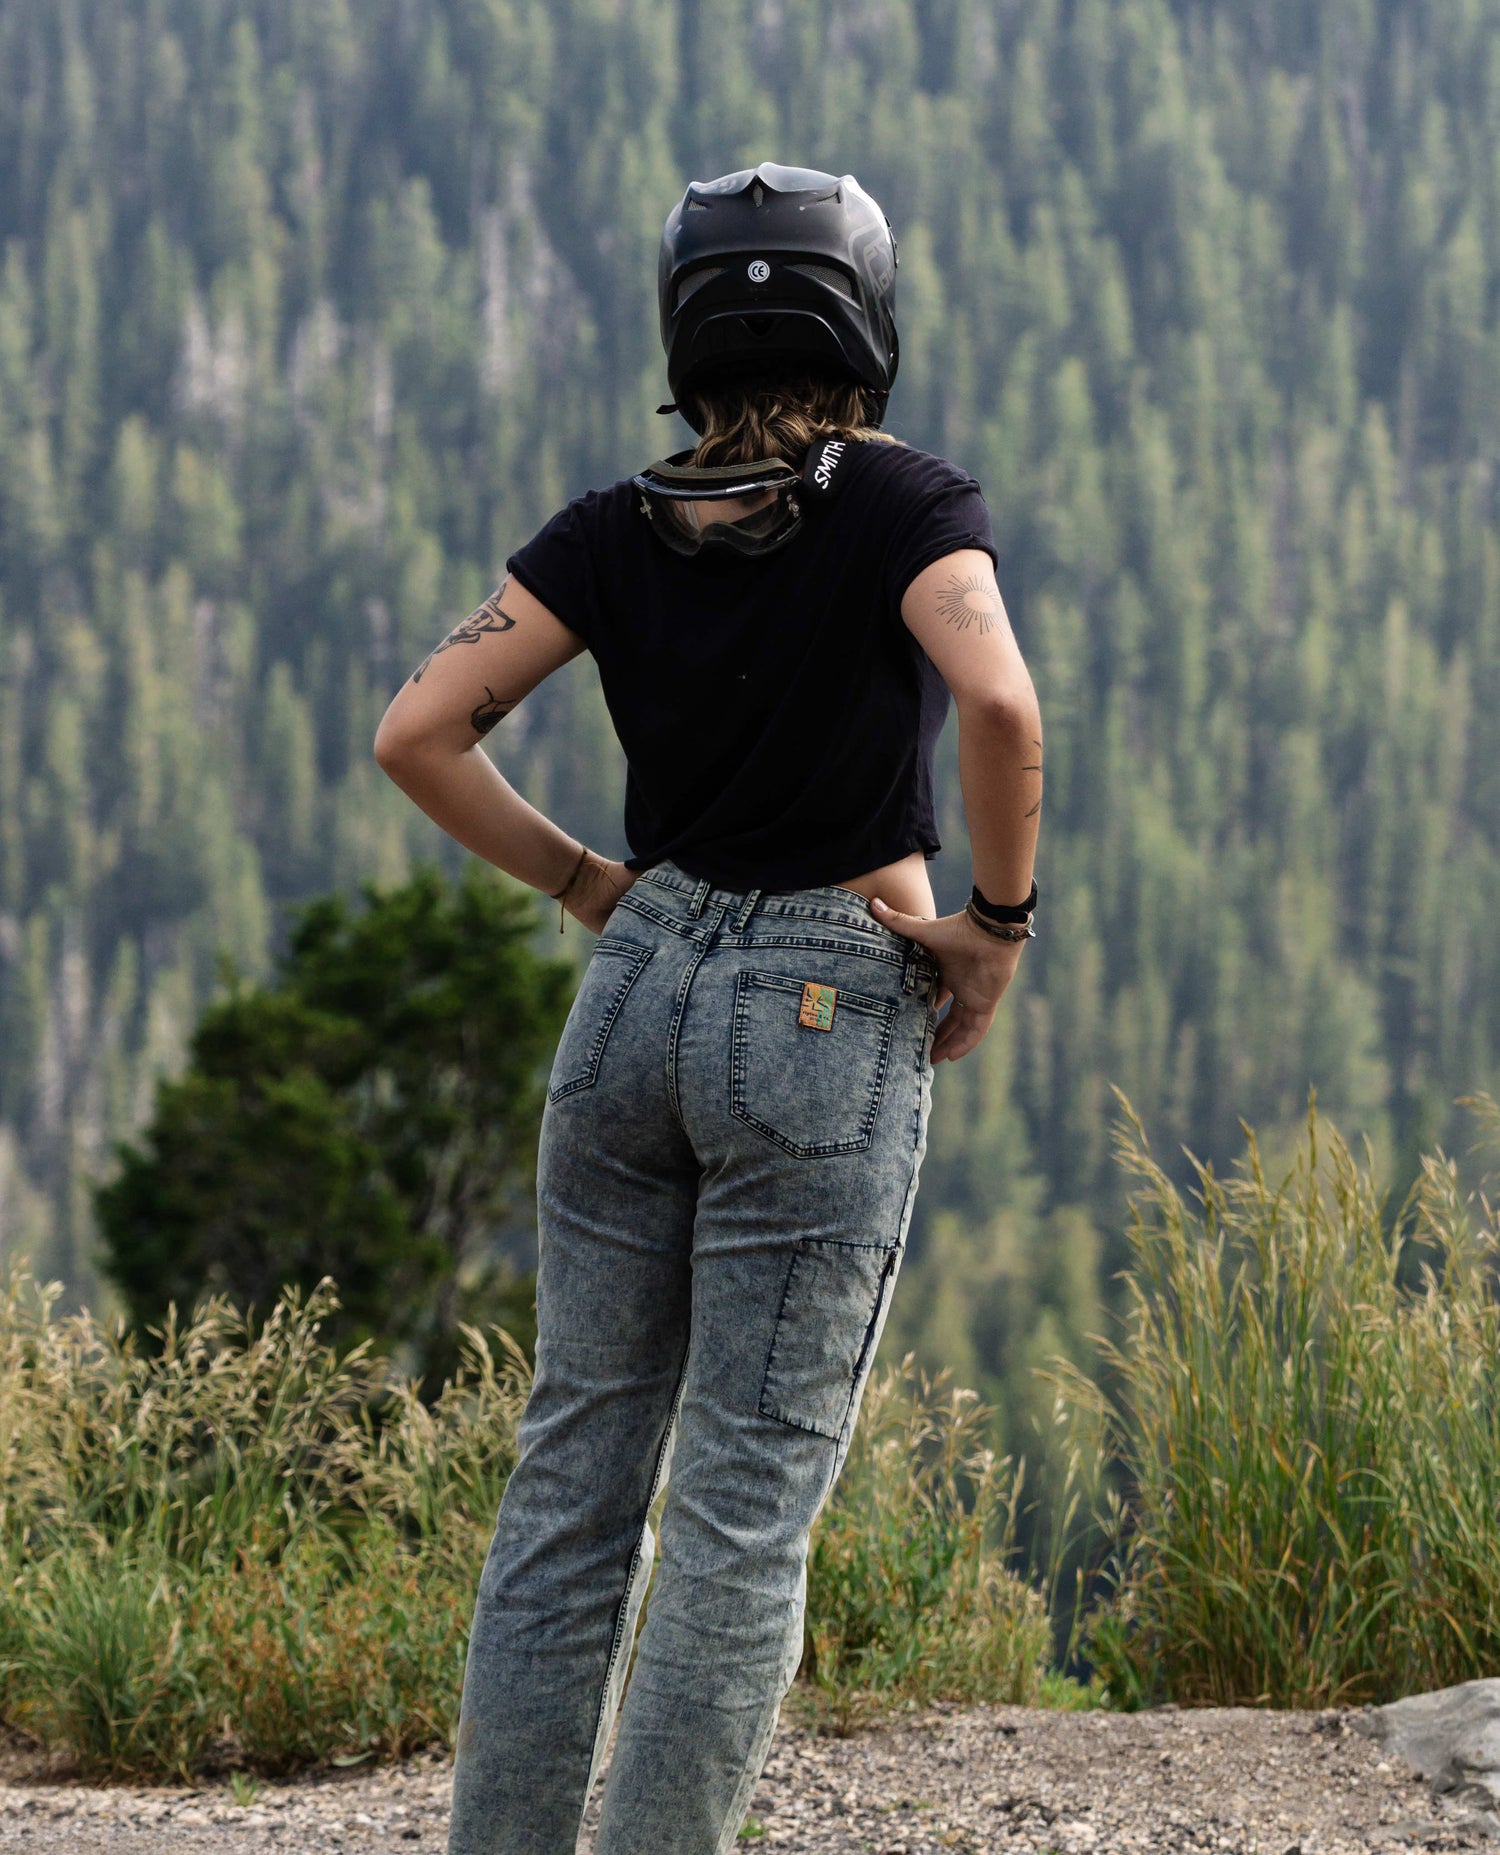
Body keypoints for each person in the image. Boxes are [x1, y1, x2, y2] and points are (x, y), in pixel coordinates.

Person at [374, 160, 1043, 1855]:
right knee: (739, 1519)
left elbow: (418, 736)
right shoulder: (903, 504)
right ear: (869, 325)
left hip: (632, 1002)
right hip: (824, 1011)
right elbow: (1001, 709)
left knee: (571, 1492)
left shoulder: (614, 526)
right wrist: (994, 926)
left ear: (692, 333)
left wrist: (592, 886)